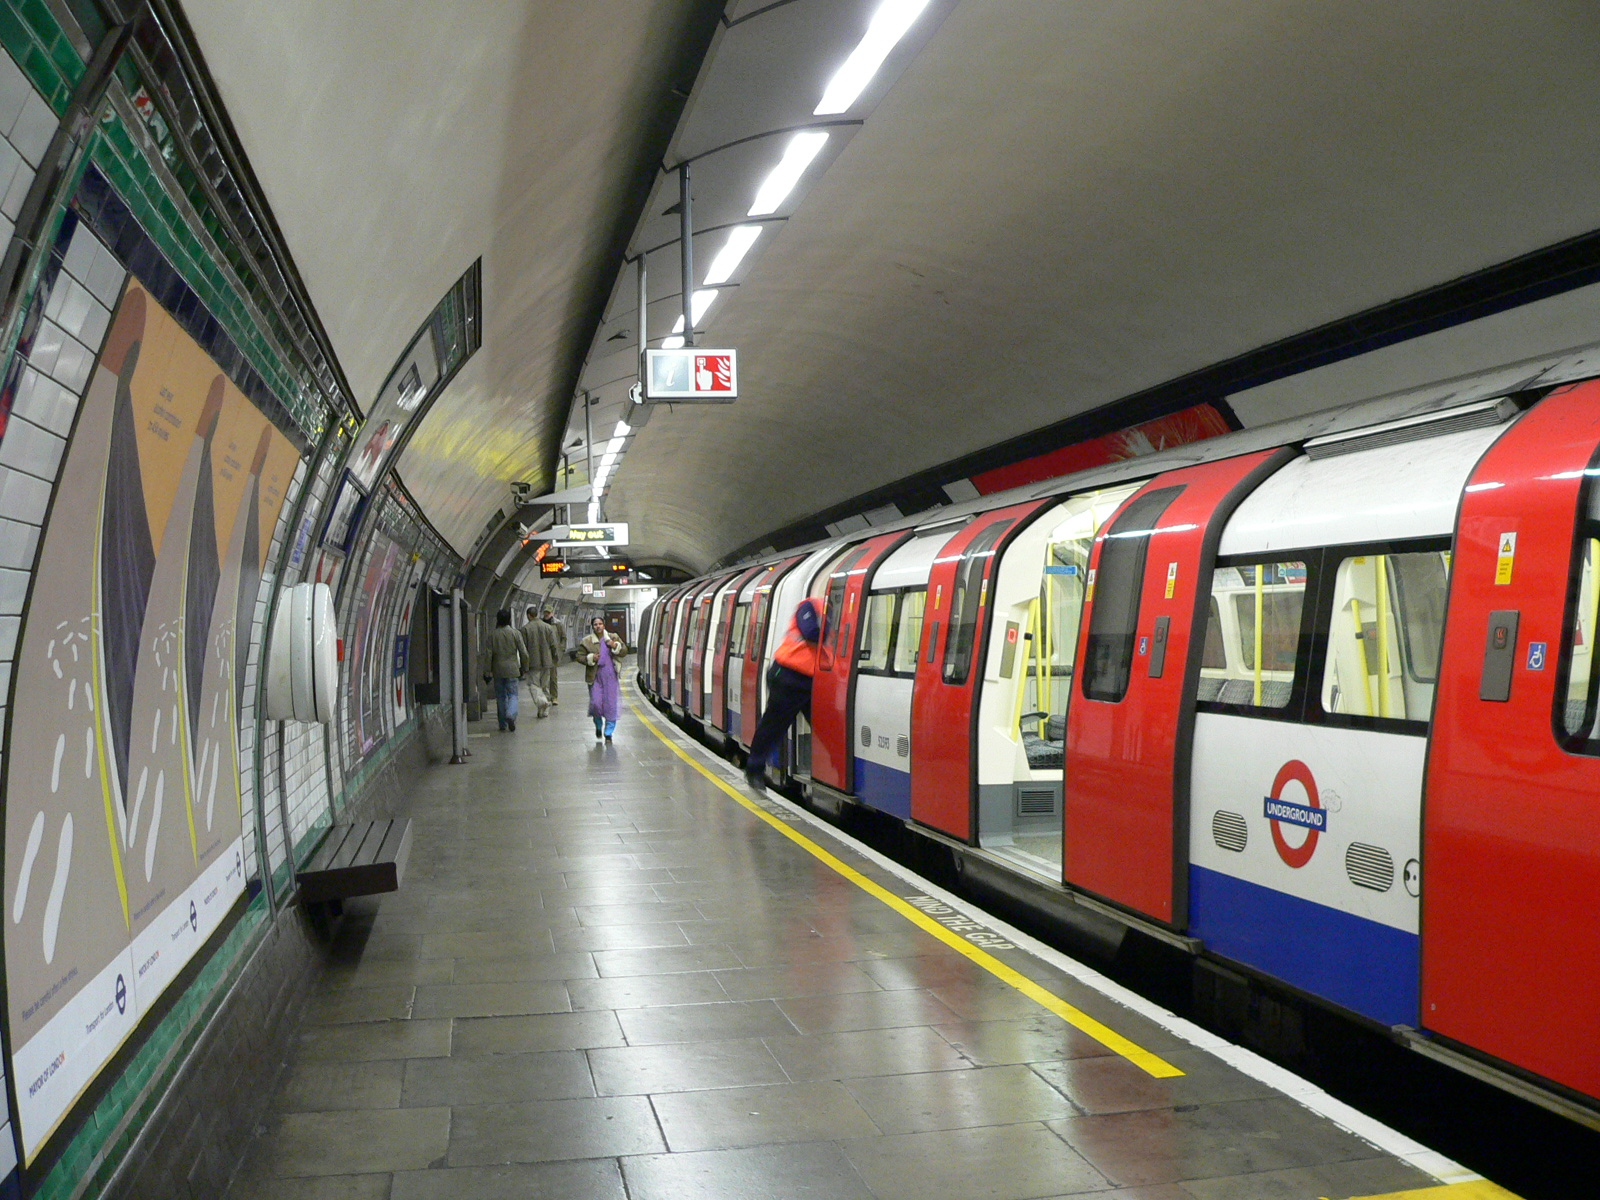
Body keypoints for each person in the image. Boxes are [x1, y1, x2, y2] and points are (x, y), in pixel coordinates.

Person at [745, 597, 822, 789]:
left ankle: (829, 776)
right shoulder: (810, 605)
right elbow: (811, 631)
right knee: (774, 726)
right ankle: (754, 770)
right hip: (787, 675)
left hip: (811, 681)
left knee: (825, 729)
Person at [580, 617, 627, 742]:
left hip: (610, 675)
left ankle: (608, 732)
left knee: (610, 704)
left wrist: (615, 645)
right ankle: (598, 725)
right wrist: (590, 658)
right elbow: (579, 656)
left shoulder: (613, 637)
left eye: (600, 624)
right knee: (596, 703)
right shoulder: (587, 641)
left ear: (604, 625)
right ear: (592, 627)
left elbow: (624, 651)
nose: (598, 626)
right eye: (595, 624)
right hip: (595, 676)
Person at [484, 609, 530, 731]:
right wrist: (525, 667)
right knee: (513, 695)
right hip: (513, 669)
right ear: (509, 619)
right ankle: (511, 714)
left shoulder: (492, 635)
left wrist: (487, 671)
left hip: (498, 670)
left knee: (500, 697)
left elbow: (488, 655)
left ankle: (502, 723)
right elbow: (524, 653)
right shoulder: (515, 633)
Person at [520, 605, 554, 717]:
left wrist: (523, 665)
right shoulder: (548, 627)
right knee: (545, 686)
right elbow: (553, 645)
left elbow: (523, 649)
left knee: (534, 685)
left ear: (529, 615)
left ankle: (543, 702)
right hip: (547, 661)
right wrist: (555, 659)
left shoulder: (525, 629)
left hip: (533, 663)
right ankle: (544, 711)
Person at [541, 608, 564, 704]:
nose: (547, 614)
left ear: (552, 613)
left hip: (554, 653)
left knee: (553, 677)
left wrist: (560, 650)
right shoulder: (541, 624)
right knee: (543, 677)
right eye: (545, 612)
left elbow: (563, 637)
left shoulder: (558, 624)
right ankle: (545, 696)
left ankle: (554, 697)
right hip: (543, 653)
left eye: (548, 613)